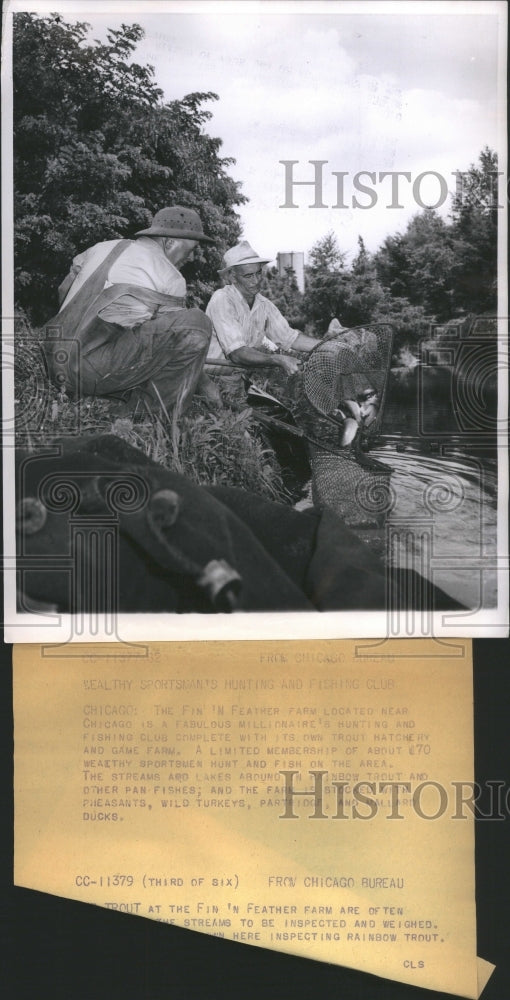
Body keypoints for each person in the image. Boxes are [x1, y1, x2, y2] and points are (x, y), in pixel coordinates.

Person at [45, 206, 219, 415]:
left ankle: (89, 395)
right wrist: (207, 385)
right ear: (170, 242)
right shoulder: (171, 277)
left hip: (52, 357)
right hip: (86, 372)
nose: (191, 259)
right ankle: (152, 413)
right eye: (191, 250)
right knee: (197, 323)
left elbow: (63, 290)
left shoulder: (101, 247)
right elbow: (178, 342)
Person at [205, 241, 321, 375]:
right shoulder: (222, 300)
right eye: (248, 276)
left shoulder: (264, 305)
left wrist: (329, 346)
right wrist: (278, 359)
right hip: (212, 377)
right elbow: (237, 353)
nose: (256, 281)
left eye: (258, 273)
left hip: (239, 378)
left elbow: (290, 338)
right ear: (232, 276)